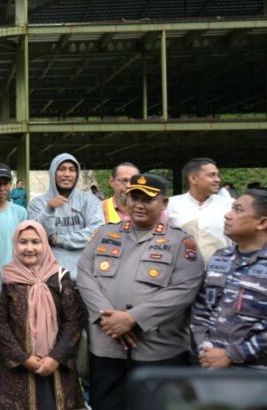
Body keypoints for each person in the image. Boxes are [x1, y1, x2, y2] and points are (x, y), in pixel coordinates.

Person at [77, 174, 205, 410]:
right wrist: (108, 318)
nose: (138, 204)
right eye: (134, 197)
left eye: (147, 199)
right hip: (107, 347)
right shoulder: (104, 234)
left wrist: (132, 319)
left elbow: (185, 289)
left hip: (158, 352)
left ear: (164, 203)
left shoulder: (181, 242)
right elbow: (85, 274)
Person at [0, 221, 84, 410]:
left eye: (35, 242)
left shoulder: (60, 277)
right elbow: (0, 324)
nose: (29, 248)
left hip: (56, 367)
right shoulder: (5, 279)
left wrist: (55, 358)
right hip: (15, 369)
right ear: (15, 245)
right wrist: (24, 359)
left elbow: (73, 321)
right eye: (23, 242)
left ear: (45, 245)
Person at [191, 188, 267, 369]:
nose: (227, 215)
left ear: (262, 222)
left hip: (255, 374)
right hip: (209, 364)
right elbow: (201, 307)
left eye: (238, 210)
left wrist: (232, 355)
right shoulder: (221, 257)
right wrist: (204, 348)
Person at [28, 153, 104, 279]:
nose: (67, 174)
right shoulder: (38, 203)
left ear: (77, 174)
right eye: (62, 169)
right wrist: (49, 209)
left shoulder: (89, 200)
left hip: (86, 277)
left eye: (72, 170)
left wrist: (60, 240)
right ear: (53, 173)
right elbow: (37, 237)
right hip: (49, 278)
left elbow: (97, 232)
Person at [167, 158, 234, 263]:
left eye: (217, 175)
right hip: (181, 274)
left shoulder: (229, 205)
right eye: (212, 175)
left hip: (219, 272)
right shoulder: (171, 205)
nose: (218, 180)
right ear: (193, 179)